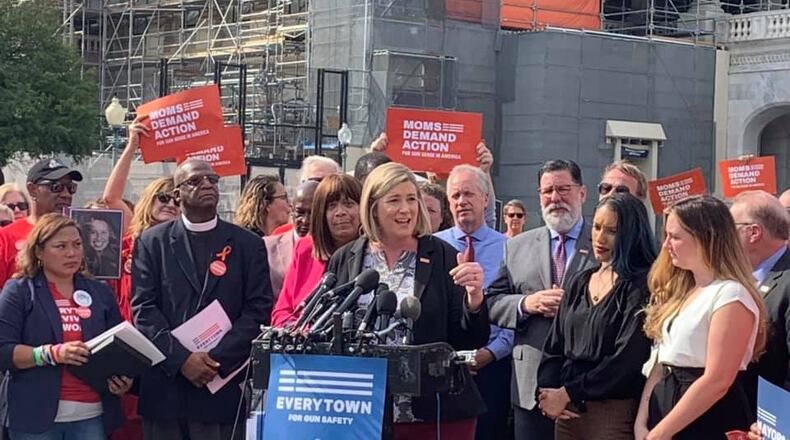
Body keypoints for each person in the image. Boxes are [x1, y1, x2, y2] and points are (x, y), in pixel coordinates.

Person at [325, 162, 489, 439]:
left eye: (411, 199)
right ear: (373, 206)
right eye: (394, 200)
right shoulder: (347, 257)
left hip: (433, 413)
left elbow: (468, 340)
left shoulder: (443, 256)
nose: (406, 209)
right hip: (362, 410)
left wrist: (474, 300)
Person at [131, 160, 273, 440]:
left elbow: (258, 310)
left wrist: (214, 361)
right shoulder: (151, 242)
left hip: (220, 386)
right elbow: (144, 310)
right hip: (167, 387)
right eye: (195, 181)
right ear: (177, 195)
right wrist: (183, 360)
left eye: (212, 179)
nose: (207, 184)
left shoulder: (247, 244)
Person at [635, 195, 767, 440]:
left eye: (675, 237)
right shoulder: (682, 291)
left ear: (706, 239)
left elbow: (717, 380)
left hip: (706, 417)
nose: (666, 245)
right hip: (664, 410)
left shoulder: (731, 295)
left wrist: (660, 434)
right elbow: (661, 362)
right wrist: (642, 422)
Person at [487, 159, 597, 439]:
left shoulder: (602, 243)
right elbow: (493, 303)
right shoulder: (516, 246)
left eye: (563, 189)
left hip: (586, 386)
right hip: (530, 387)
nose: (555, 198)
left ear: (582, 193)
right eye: (547, 191)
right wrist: (527, 304)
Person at [0, 214, 132, 438]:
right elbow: (3, 350)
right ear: (39, 252)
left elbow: (119, 344)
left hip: (92, 415)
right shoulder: (20, 290)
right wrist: (52, 354)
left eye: (77, 244)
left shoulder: (99, 291)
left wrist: (122, 379)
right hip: (35, 415)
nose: (72, 253)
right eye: (60, 246)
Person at [537, 193, 657, 439]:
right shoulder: (581, 280)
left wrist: (569, 392)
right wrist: (548, 391)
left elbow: (627, 360)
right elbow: (554, 344)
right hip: (566, 412)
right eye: (597, 227)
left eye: (612, 231)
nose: (600, 238)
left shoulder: (641, 286)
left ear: (631, 235)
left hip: (612, 413)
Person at [436, 165, 513, 440]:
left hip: (492, 367)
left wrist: (491, 353)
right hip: (443, 368)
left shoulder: (510, 248)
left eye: (468, 193)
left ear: (485, 199)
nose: (461, 201)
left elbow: (512, 311)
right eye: (455, 195)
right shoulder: (432, 247)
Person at [271, 175, 362, 326]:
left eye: (348, 204)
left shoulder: (375, 253)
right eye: (332, 206)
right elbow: (282, 312)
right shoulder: (305, 249)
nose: (340, 212)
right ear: (321, 214)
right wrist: (302, 331)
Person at [729, 191, 790, 403]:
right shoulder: (731, 278)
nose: (725, 236)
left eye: (730, 227)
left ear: (754, 233)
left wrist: (778, 419)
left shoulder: (787, 282)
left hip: (769, 419)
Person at [0, 159, 82, 287]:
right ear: (32, 189)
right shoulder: (5, 237)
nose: (66, 194)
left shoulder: (80, 235)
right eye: (56, 187)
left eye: (70, 187)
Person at [264, 179, 319, 300]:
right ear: (291, 209)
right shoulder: (265, 247)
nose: (305, 220)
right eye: (300, 212)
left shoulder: (332, 252)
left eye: (313, 213)